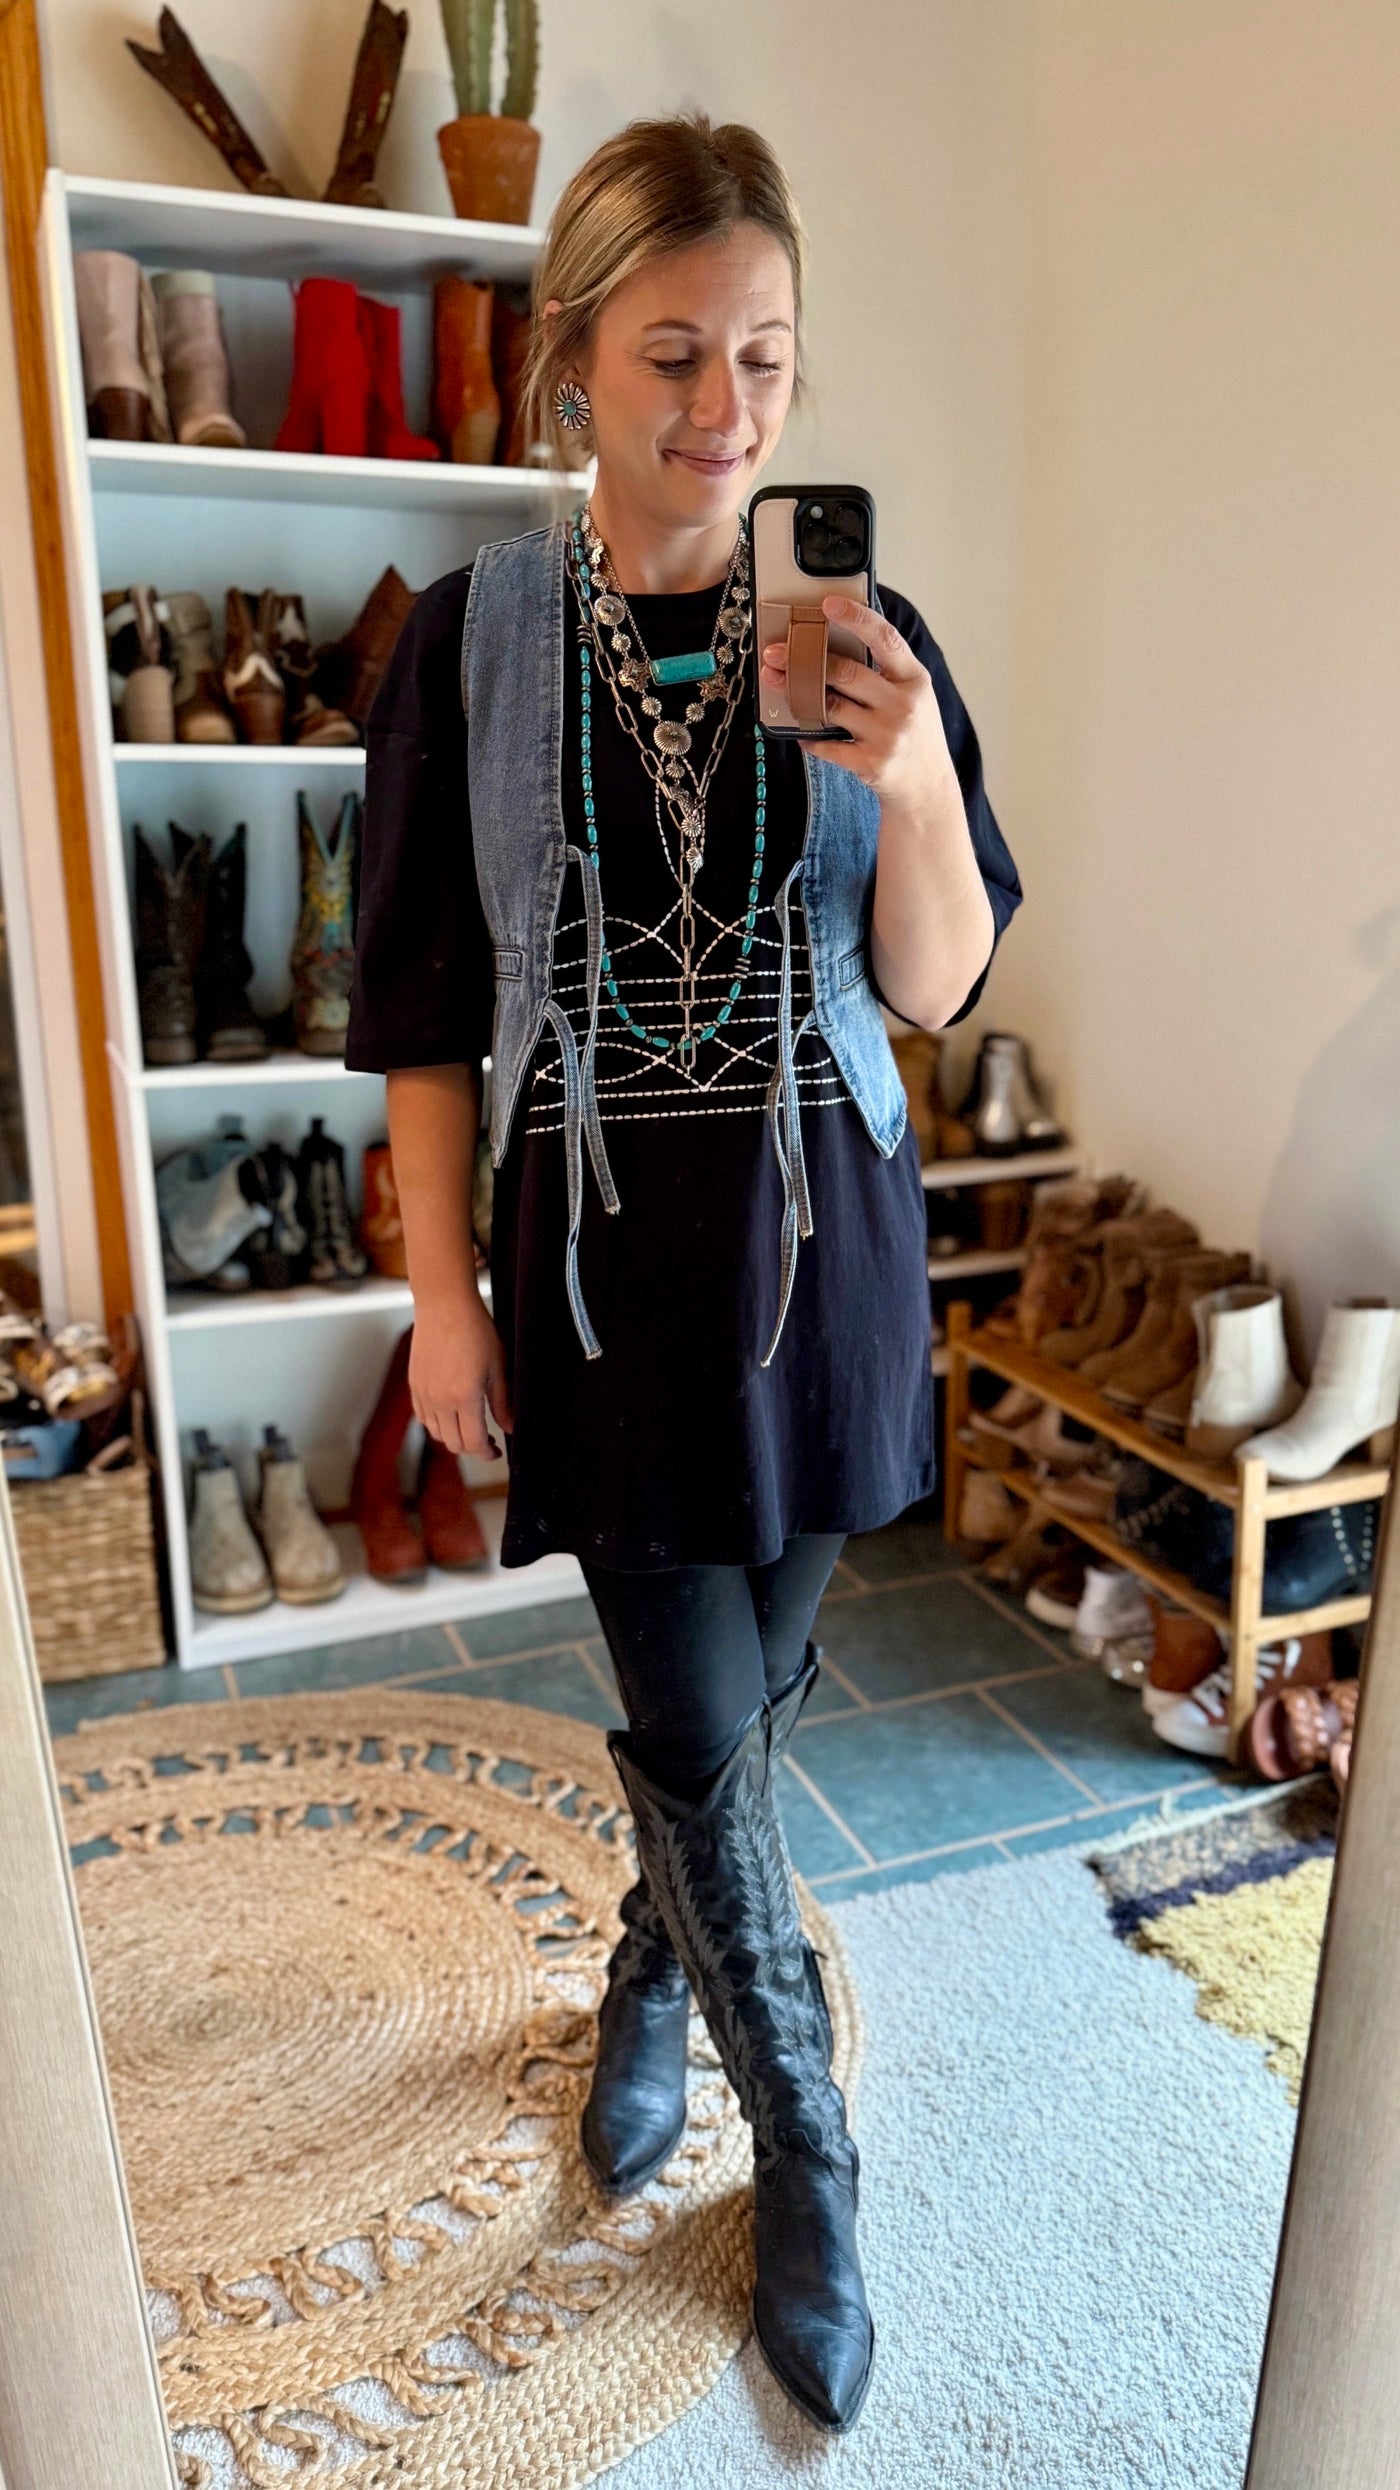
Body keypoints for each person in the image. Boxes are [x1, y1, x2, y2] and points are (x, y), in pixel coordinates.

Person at [347, 112, 1020, 2434]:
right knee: (703, 1714)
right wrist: (441, 1300)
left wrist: (917, 787)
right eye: (668, 357)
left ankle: (656, 1984)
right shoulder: (469, 645)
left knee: (727, 1724)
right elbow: (424, 1016)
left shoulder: (866, 640)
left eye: (761, 359)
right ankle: (807, 2154)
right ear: (569, 368)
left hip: (829, 1257)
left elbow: (934, 987)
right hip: (602, 1274)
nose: (720, 412)